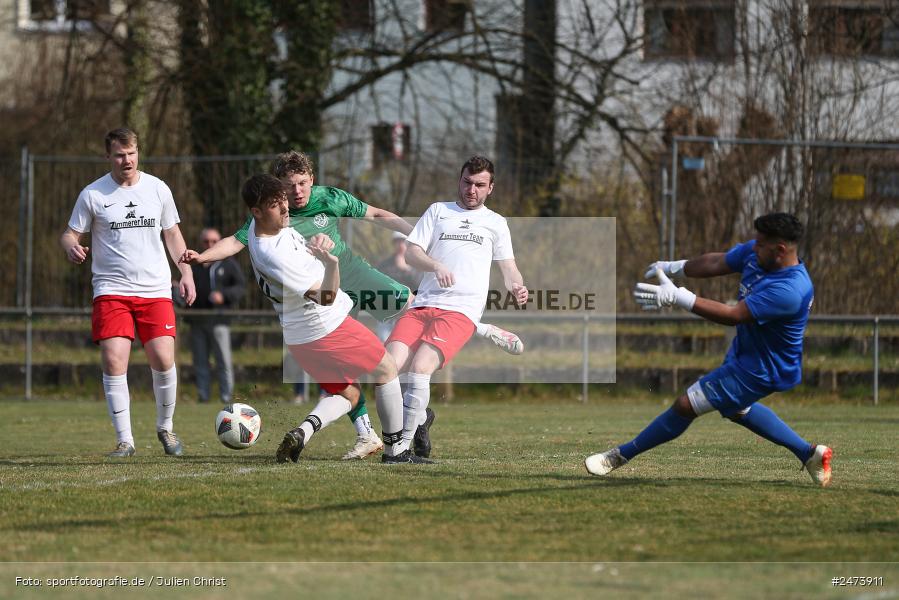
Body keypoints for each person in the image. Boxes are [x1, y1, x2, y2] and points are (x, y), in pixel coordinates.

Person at [182, 151, 523, 460]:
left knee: (413, 305)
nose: (295, 194)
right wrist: (206, 257)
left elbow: (375, 214)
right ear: (275, 194)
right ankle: (386, 437)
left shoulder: (324, 199)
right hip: (324, 296)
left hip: (351, 279)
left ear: (311, 181)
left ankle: (468, 336)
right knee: (383, 367)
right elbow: (235, 243)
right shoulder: (267, 227)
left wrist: (417, 236)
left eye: (302, 184)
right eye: (288, 188)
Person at [585, 213, 833, 487]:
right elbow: (718, 261)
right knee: (736, 409)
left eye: (761, 244)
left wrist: (681, 297)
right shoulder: (758, 254)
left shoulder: (790, 289)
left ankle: (619, 456)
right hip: (746, 353)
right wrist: (676, 267)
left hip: (763, 368)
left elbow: (733, 314)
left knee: (686, 404)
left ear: (780, 250)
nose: (754, 246)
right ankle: (809, 454)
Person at [239, 173, 429, 464]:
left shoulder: (260, 228)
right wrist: (331, 263)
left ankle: (302, 432)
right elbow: (326, 296)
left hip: (299, 339)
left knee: (350, 393)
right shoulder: (274, 255)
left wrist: (314, 245)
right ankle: (396, 451)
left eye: (284, 201)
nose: (286, 208)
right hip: (327, 328)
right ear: (256, 211)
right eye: (277, 206)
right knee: (386, 369)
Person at [60, 127, 196, 458]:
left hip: (155, 289)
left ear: (138, 152)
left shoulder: (158, 189)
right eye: (120, 154)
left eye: (131, 153)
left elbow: (172, 234)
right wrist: (71, 247)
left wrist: (186, 272)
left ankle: (166, 428)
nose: (127, 160)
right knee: (113, 359)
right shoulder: (93, 194)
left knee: (163, 358)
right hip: (111, 289)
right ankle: (126, 440)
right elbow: (69, 234)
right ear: (108, 156)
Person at [385, 156, 529, 459]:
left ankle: (399, 449)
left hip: (460, 311)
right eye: (467, 182)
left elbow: (509, 268)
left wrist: (517, 285)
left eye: (479, 185)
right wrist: (435, 265)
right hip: (422, 305)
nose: (471, 190)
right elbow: (412, 254)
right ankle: (421, 417)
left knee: (421, 368)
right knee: (385, 369)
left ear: (491, 188)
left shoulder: (496, 223)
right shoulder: (438, 211)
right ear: (459, 180)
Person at [185, 228, 246, 404]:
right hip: (197, 321)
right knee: (200, 361)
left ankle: (226, 397)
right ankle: (203, 396)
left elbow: (240, 286)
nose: (210, 245)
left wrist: (224, 295)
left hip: (220, 320)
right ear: (201, 243)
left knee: (223, 361)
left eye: (214, 242)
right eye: (206, 242)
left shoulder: (228, 263)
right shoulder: (193, 266)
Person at [374, 231, 421, 341]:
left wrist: (407, 269)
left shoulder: (416, 264)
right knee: (385, 341)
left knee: (404, 342)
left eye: (403, 242)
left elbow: (420, 286)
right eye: (397, 242)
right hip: (387, 311)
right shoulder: (384, 265)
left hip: (409, 312)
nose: (400, 245)